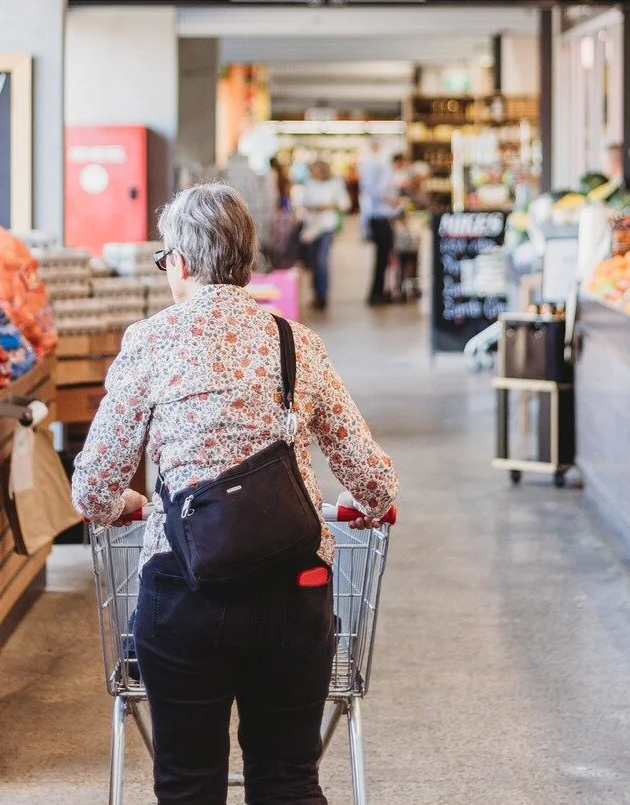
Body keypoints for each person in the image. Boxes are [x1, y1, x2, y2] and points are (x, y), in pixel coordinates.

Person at [71, 184, 398, 805]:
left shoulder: (151, 342)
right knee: (289, 782)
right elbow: (371, 478)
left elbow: (93, 489)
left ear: (184, 263)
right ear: (245, 261)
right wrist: (376, 505)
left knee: (188, 784)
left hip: (184, 595)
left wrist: (127, 506)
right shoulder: (295, 343)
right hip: (292, 596)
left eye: (166, 260)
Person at [294, 159, 347, 311]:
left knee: (321, 260)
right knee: (313, 262)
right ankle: (316, 293)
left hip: (326, 226)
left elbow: (344, 204)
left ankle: (322, 295)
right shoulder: (309, 183)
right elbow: (304, 202)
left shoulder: (335, 183)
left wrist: (327, 206)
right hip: (312, 228)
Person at [357, 149, 405, 306]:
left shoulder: (384, 172)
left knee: (383, 259)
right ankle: (377, 293)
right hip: (381, 219)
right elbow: (379, 193)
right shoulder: (387, 173)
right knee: (382, 259)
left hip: (379, 218)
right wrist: (394, 201)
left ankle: (380, 291)